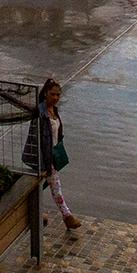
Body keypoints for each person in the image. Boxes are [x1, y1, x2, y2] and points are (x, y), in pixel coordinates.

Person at [22, 78, 81, 230]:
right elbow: (36, 138)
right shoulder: (40, 113)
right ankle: (67, 216)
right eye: (52, 94)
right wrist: (43, 161)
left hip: (52, 154)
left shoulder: (54, 110)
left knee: (39, 187)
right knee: (55, 186)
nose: (55, 98)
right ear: (45, 94)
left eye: (58, 95)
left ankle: (35, 212)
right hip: (42, 157)